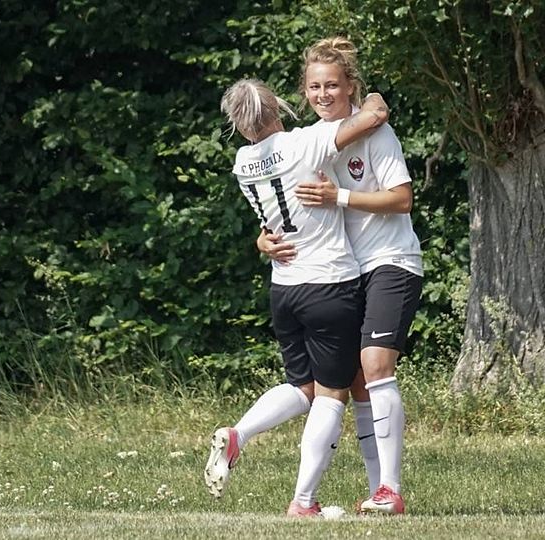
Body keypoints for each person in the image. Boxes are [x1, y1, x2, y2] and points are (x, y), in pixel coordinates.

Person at [204, 78, 390, 517]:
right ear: (276, 107)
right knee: (331, 395)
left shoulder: (242, 161)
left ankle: (240, 434)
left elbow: (272, 218)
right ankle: (303, 501)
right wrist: (369, 93)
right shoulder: (306, 142)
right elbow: (374, 116)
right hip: (329, 283)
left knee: (302, 387)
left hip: (284, 286)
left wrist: (261, 242)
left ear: (238, 123)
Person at [258, 37, 423, 516]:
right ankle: (377, 493)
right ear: (304, 91)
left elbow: (402, 199)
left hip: (391, 260)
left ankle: (391, 489)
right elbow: (280, 209)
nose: (323, 94)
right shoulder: (307, 141)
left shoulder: (377, 133)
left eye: (332, 85)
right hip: (343, 275)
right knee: (354, 383)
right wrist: (263, 241)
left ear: (351, 85)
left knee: (375, 364)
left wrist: (340, 198)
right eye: (314, 87)